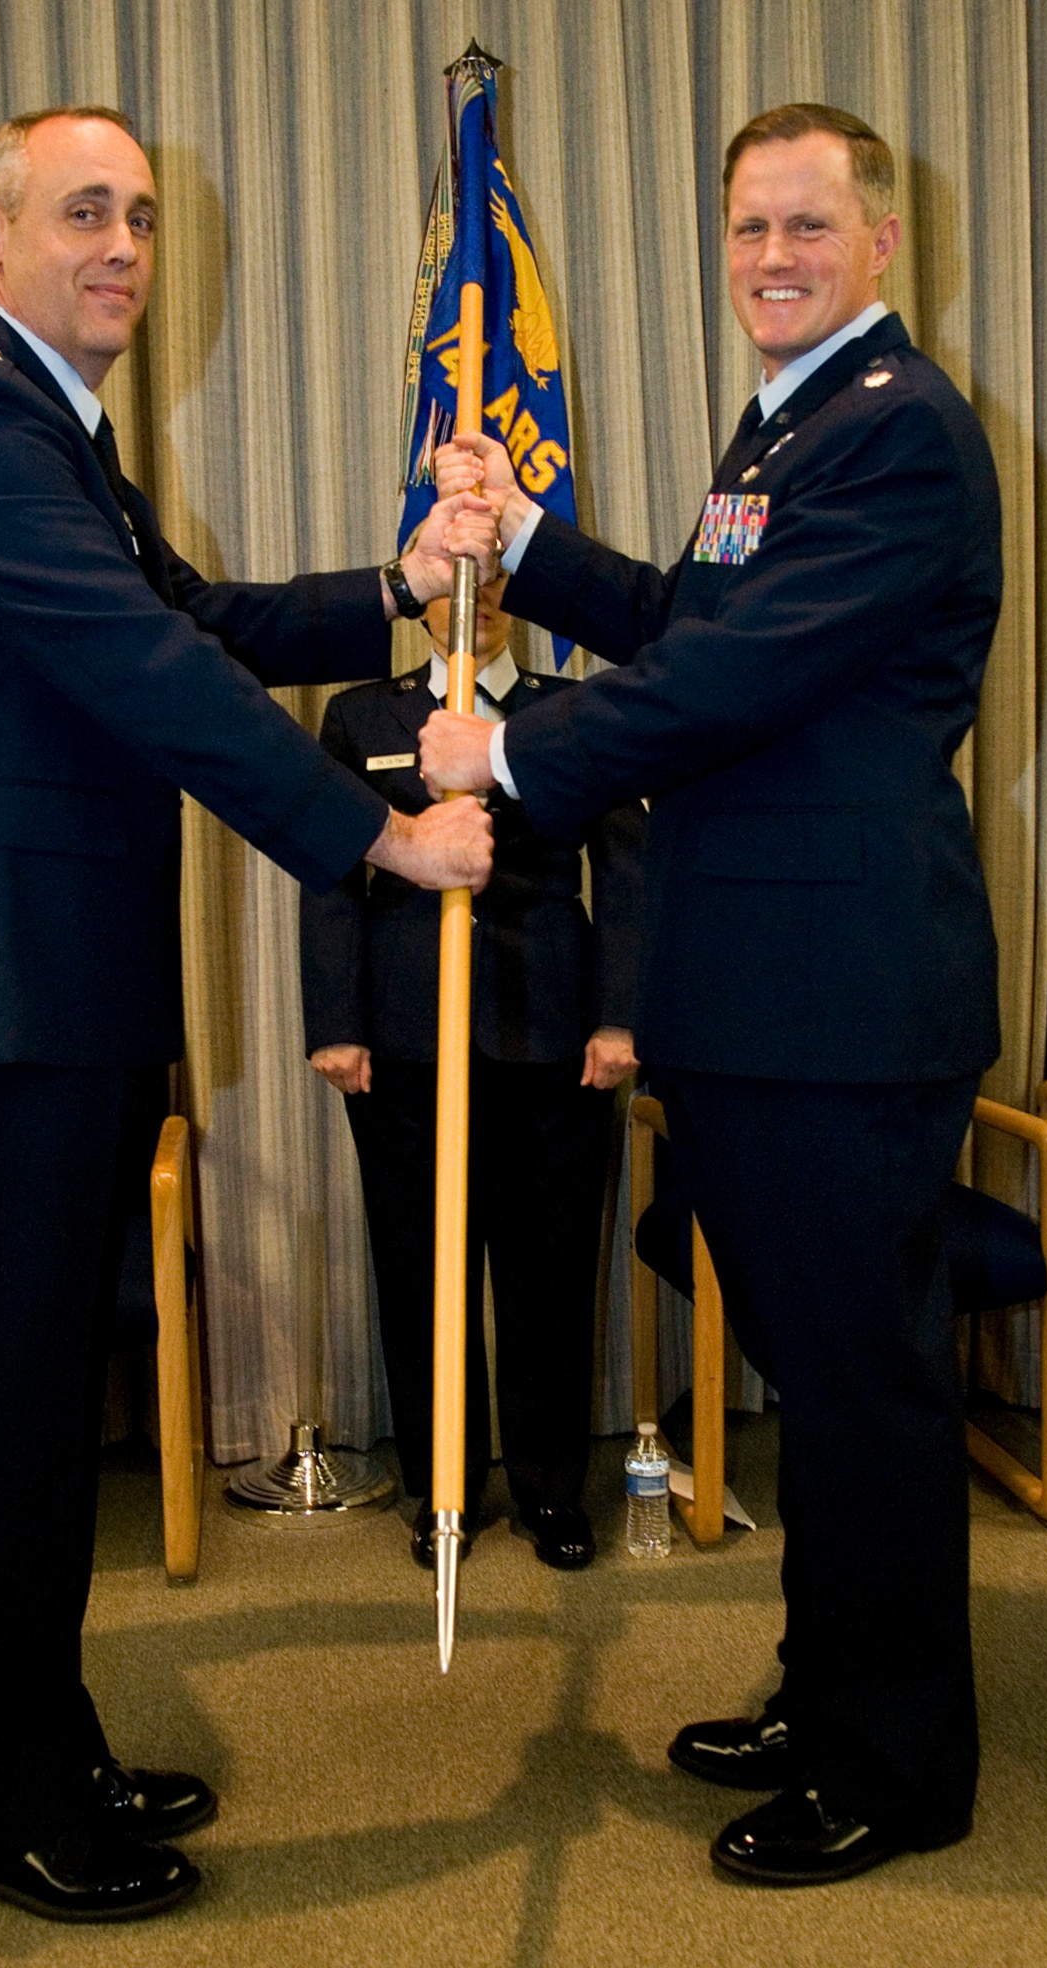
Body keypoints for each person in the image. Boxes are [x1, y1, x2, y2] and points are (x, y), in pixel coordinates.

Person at [0, 104, 496, 1924]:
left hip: (48, 988)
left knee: (45, 1414)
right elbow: (148, 677)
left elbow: (191, 617)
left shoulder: (54, 433)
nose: (121, 244)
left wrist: (405, 585)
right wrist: (376, 839)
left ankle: (41, 1750)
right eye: (80, 213)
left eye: (136, 214)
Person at [422, 103, 1001, 1887]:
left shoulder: (899, 433)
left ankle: (892, 1765)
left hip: (837, 1001)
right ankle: (826, 1687)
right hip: (763, 993)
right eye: (746, 227)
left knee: (857, 1392)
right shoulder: (789, 421)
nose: (769, 258)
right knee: (813, 1380)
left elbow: (739, 675)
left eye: (806, 229)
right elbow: (696, 622)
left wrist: (508, 756)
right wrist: (526, 541)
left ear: (879, 245)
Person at [300, 570, 644, 1569]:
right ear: (425, 592)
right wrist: (335, 1018)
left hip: (551, 1028)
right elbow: (330, 867)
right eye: (461, 577)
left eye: (496, 579)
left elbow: (624, 862)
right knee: (418, 1267)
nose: (477, 594)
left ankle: (548, 1489)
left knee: (548, 1268)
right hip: (404, 1034)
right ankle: (442, 1488)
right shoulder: (363, 713)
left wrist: (619, 1012)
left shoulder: (573, 711)